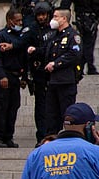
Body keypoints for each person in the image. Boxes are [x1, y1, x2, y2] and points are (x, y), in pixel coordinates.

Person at [0, 8, 28, 148]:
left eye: (21, 20)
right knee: (1, 107)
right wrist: (2, 76)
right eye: (17, 21)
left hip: (15, 77)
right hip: (3, 76)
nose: (20, 23)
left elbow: (24, 58)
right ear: (9, 20)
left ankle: (8, 136)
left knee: (13, 107)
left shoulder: (20, 38)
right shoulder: (1, 36)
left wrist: (24, 77)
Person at [44, 8, 82, 136]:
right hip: (53, 81)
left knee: (66, 113)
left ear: (64, 19)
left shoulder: (73, 36)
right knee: (51, 113)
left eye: (55, 17)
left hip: (66, 81)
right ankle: (51, 137)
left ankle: (67, 137)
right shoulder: (54, 36)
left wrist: (56, 63)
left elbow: (74, 54)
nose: (53, 19)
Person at [25, 1, 57, 146]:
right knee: (40, 107)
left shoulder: (54, 30)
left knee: (54, 108)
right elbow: (24, 48)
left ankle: (54, 135)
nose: (41, 18)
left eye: (43, 14)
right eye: (38, 15)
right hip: (39, 74)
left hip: (54, 73)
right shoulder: (32, 30)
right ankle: (41, 136)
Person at [60, 0, 99, 75]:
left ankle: (85, 67)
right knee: (86, 44)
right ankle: (85, 67)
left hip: (92, 17)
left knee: (88, 44)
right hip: (83, 17)